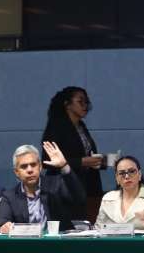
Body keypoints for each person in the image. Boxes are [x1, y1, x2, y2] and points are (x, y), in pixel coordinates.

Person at [0, 141, 86, 233]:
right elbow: (1, 221)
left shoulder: (56, 184)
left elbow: (79, 197)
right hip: (26, 241)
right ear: (16, 172)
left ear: (40, 167)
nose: (30, 170)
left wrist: (64, 166)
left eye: (33, 165)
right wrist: (4, 226)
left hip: (57, 240)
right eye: (24, 166)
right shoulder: (10, 196)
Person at [41, 86, 103, 217]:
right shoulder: (56, 126)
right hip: (64, 188)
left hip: (87, 186)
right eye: (80, 101)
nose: (85, 105)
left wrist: (102, 161)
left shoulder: (81, 126)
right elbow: (47, 160)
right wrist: (82, 162)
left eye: (86, 102)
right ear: (67, 104)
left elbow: (86, 153)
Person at [96, 155, 144, 231]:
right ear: (117, 178)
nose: (127, 176)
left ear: (139, 174)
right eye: (121, 173)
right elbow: (98, 228)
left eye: (131, 171)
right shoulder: (107, 198)